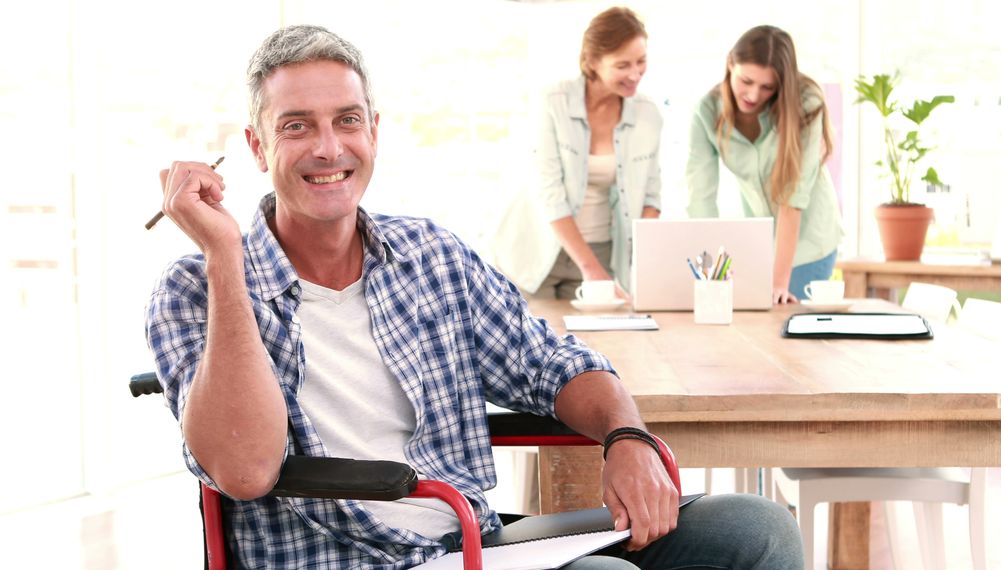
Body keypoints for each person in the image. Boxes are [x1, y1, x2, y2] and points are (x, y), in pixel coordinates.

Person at [145, 24, 802, 569]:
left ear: (373, 130)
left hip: (473, 544)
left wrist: (626, 436)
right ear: (257, 147)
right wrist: (226, 257)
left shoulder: (431, 257)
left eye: (347, 120)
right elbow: (245, 469)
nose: (328, 147)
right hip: (345, 556)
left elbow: (557, 364)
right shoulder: (194, 289)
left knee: (759, 529)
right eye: (296, 127)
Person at [493, 7, 662, 300]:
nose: (635, 74)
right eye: (623, 65)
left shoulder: (648, 114)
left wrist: (642, 266)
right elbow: (550, 192)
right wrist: (591, 269)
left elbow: (651, 196)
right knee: (532, 342)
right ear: (593, 61)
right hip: (538, 251)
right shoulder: (552, 101)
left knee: (603, 345)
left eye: (641, 61)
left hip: (603, 254)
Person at [686, 25, 843, 304]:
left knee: (783, 322)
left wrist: (778, 283)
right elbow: (701, 198)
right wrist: (706, 271)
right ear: (730, 64)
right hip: (760, 244)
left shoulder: (806, 102)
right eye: (746, 81)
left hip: (809, 241)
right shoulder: (707, 112)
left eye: (767, 87)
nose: (754, 95)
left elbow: (792, 199)